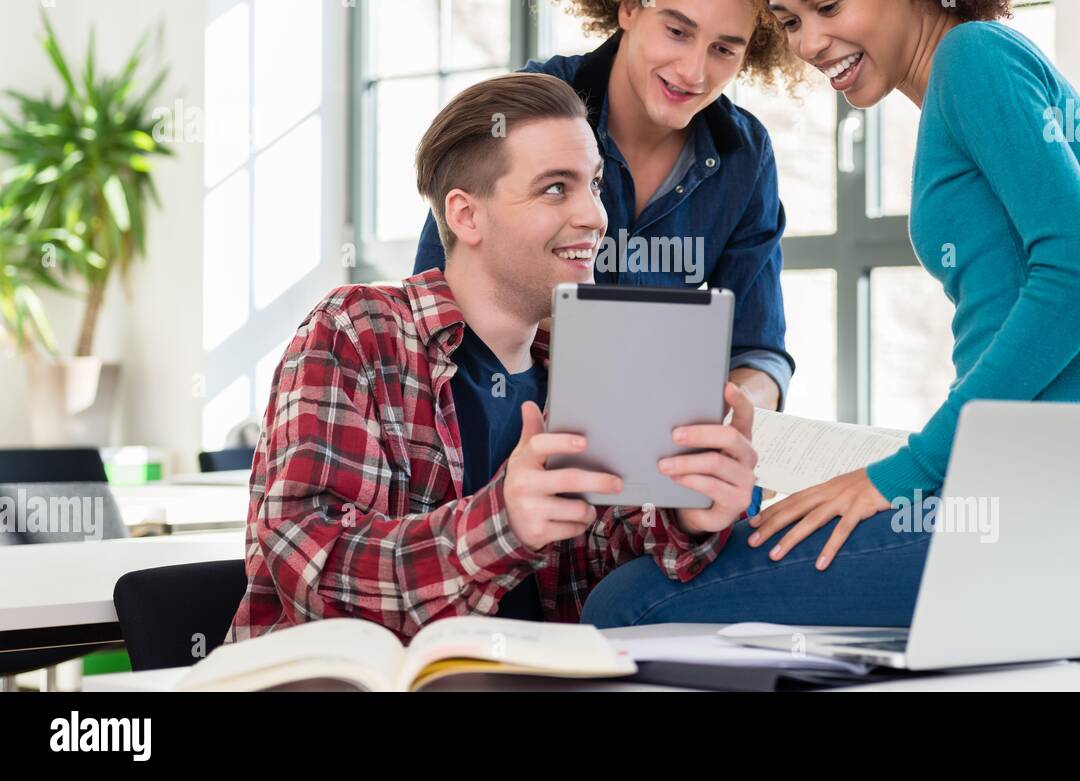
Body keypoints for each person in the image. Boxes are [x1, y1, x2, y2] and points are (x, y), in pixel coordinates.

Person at [578, 0, 1080, 628]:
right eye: (789, 20)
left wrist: (907, 473)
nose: (810, 43)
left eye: (828, 4)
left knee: (629, 601)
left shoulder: (976, 58)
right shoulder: (960, 86)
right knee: (716, 540)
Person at [229, 73, 757, 642]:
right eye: (556, 188)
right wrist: (500, 525)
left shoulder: (584, 360)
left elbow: (600, 560)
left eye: (595, 184)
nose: (594, 216)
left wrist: (689, 514)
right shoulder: (357, 330)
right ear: (466, 216)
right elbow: (308, 564)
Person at [412, 0, 802, 513]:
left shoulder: (745, 156)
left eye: (724, 48)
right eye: (677, 30)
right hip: (502, 451)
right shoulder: (533, 110)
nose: (694, 71)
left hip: (665, 478)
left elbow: (756, 348)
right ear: (628, 6)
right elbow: (439, 305)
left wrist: (735, 415)